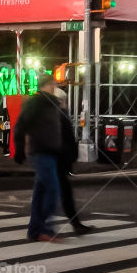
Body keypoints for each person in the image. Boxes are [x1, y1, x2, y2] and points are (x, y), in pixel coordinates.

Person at [13, 74, 63, 242]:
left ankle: (35, 230)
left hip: (48, 152)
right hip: (41, 152)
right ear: (48, 85)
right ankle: (44, 229)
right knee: (52, 190)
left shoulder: (50, 104)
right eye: (53, 85)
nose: (55, 88)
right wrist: (19, 150)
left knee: (41, 192)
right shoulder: (36, 103)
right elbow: (20, 125)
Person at [54, 86, 92, 235]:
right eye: (63, 100)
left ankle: (75, 223)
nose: (66, 103)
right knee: (62, 193)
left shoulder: (56, 115)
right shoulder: (60, 115)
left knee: (59, 192)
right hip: (59, 160)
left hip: (57, 160)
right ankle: (75, 224)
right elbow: (67, 138)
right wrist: (71, 156)